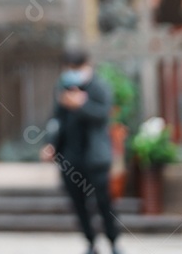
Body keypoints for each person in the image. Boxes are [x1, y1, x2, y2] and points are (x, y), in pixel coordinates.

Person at [41, 48, 121, 254]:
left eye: (77, 68)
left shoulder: (99, 87)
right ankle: (90, 242)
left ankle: (113, 242)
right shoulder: (63, 87)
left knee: (104, 202)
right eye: (70, 68)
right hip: (70, 157)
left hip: (95, 158)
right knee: (79, 204)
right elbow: (56, 120)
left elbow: (103, 115)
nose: (73, 72)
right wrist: (51, 144)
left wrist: (81, 105)